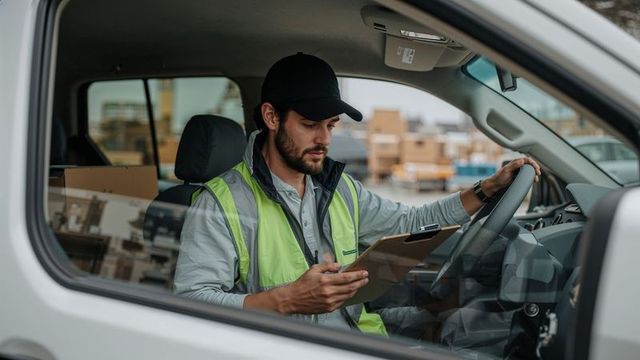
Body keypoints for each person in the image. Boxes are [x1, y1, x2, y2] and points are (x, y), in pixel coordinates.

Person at [174, 53, 541, 336]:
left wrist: (486, 189)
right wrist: (287, 299)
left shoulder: (339, 189)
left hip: (355, 336)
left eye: (331, 125)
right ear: (271, 117)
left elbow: (410, 223)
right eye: (310, 125)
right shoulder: (221, 203)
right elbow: (189, 303)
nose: (325, 140)